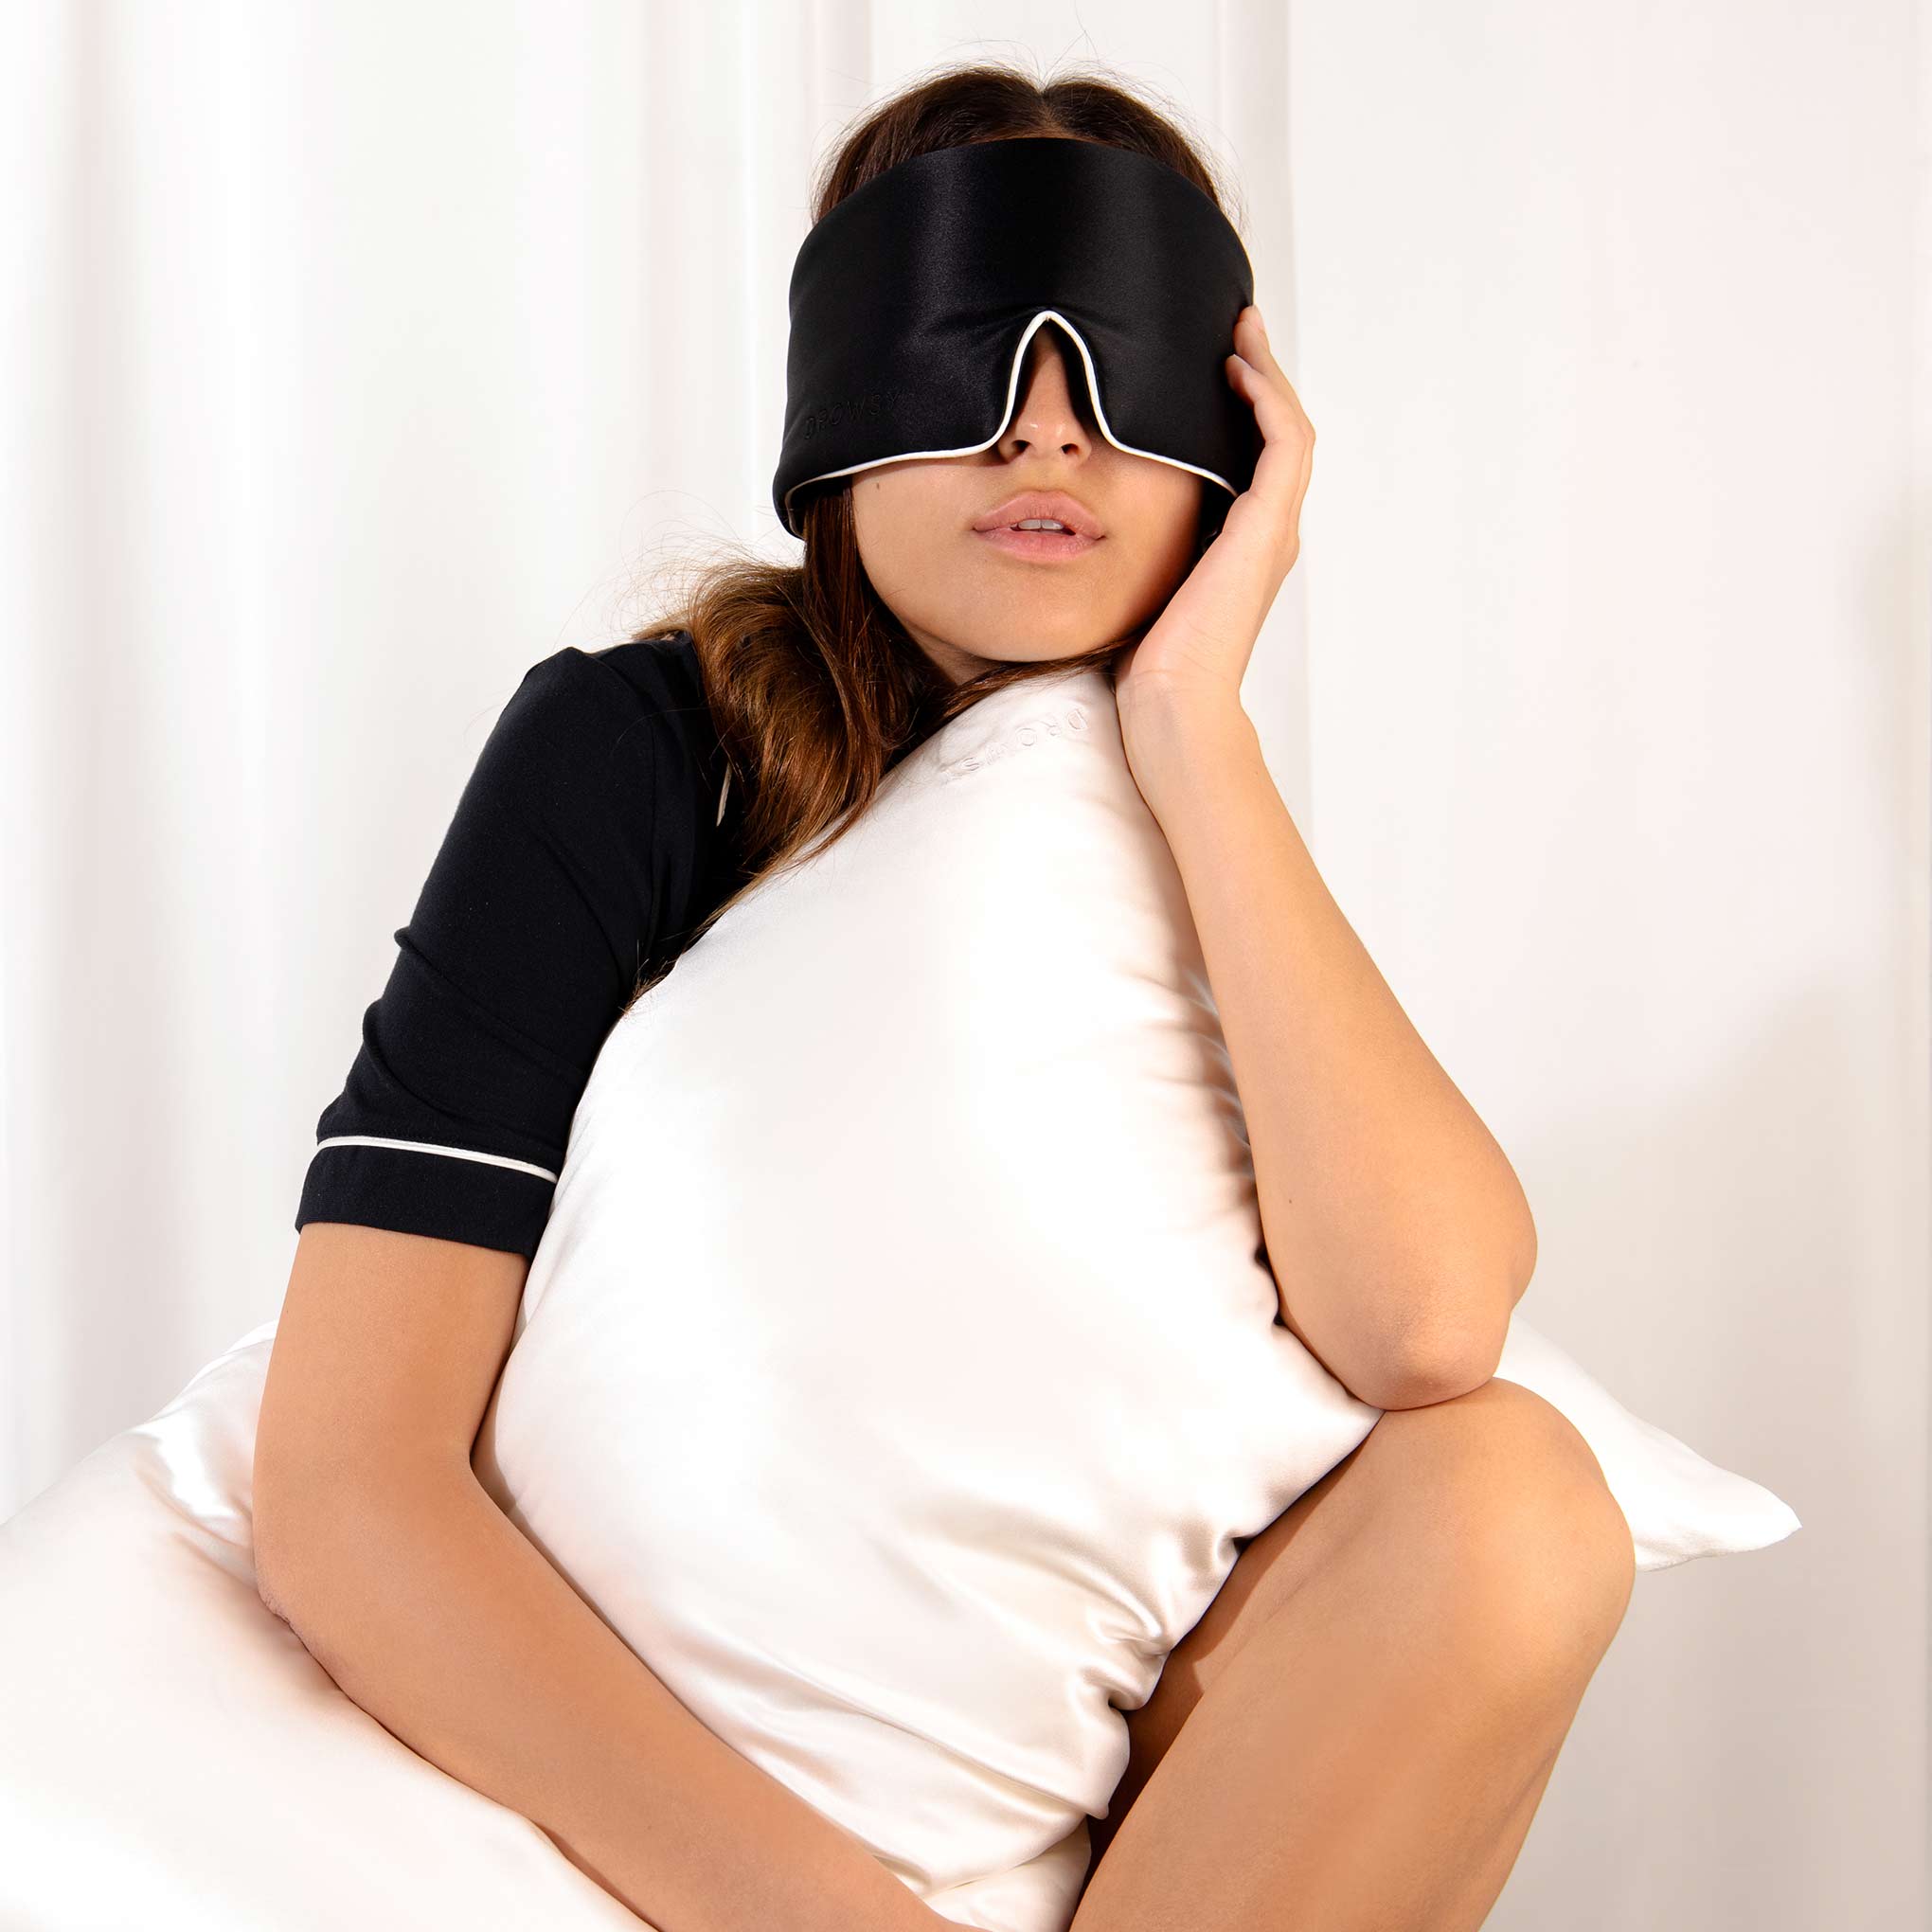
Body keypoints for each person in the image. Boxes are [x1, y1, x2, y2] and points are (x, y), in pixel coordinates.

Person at [253, 59, 1634, 1932]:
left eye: (1121, 375)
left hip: (1083, 1761)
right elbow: (348, 1480)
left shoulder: (1163, 818)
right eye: (970, 350)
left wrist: (1193, 733)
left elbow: (1423, 1326)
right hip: (694, 1774)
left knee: (1516, 1504)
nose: (1045, 436)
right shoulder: (637, 754)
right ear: (838, 400)